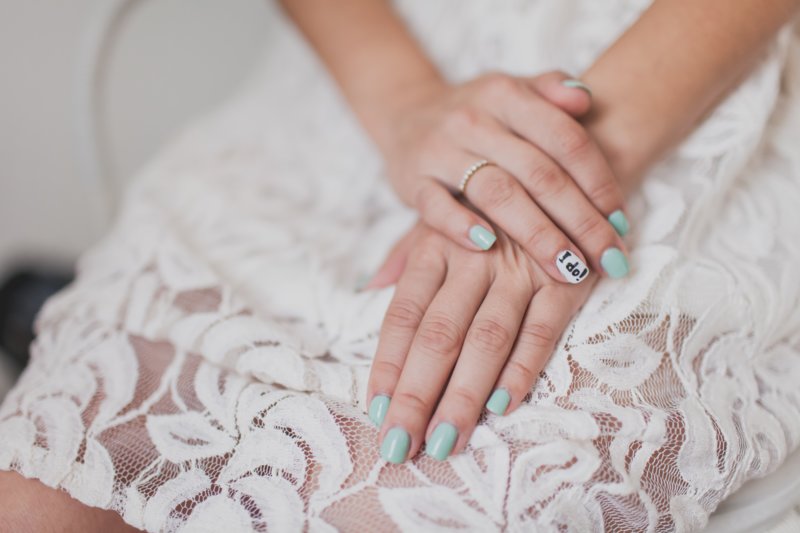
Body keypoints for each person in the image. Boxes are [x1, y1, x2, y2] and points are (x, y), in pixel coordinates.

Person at [2, 1, 800, 531]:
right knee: (43, 488)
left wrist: (559, 169)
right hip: (378, 57)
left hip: (695, 64)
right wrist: (406, 107)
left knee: (456, 490)